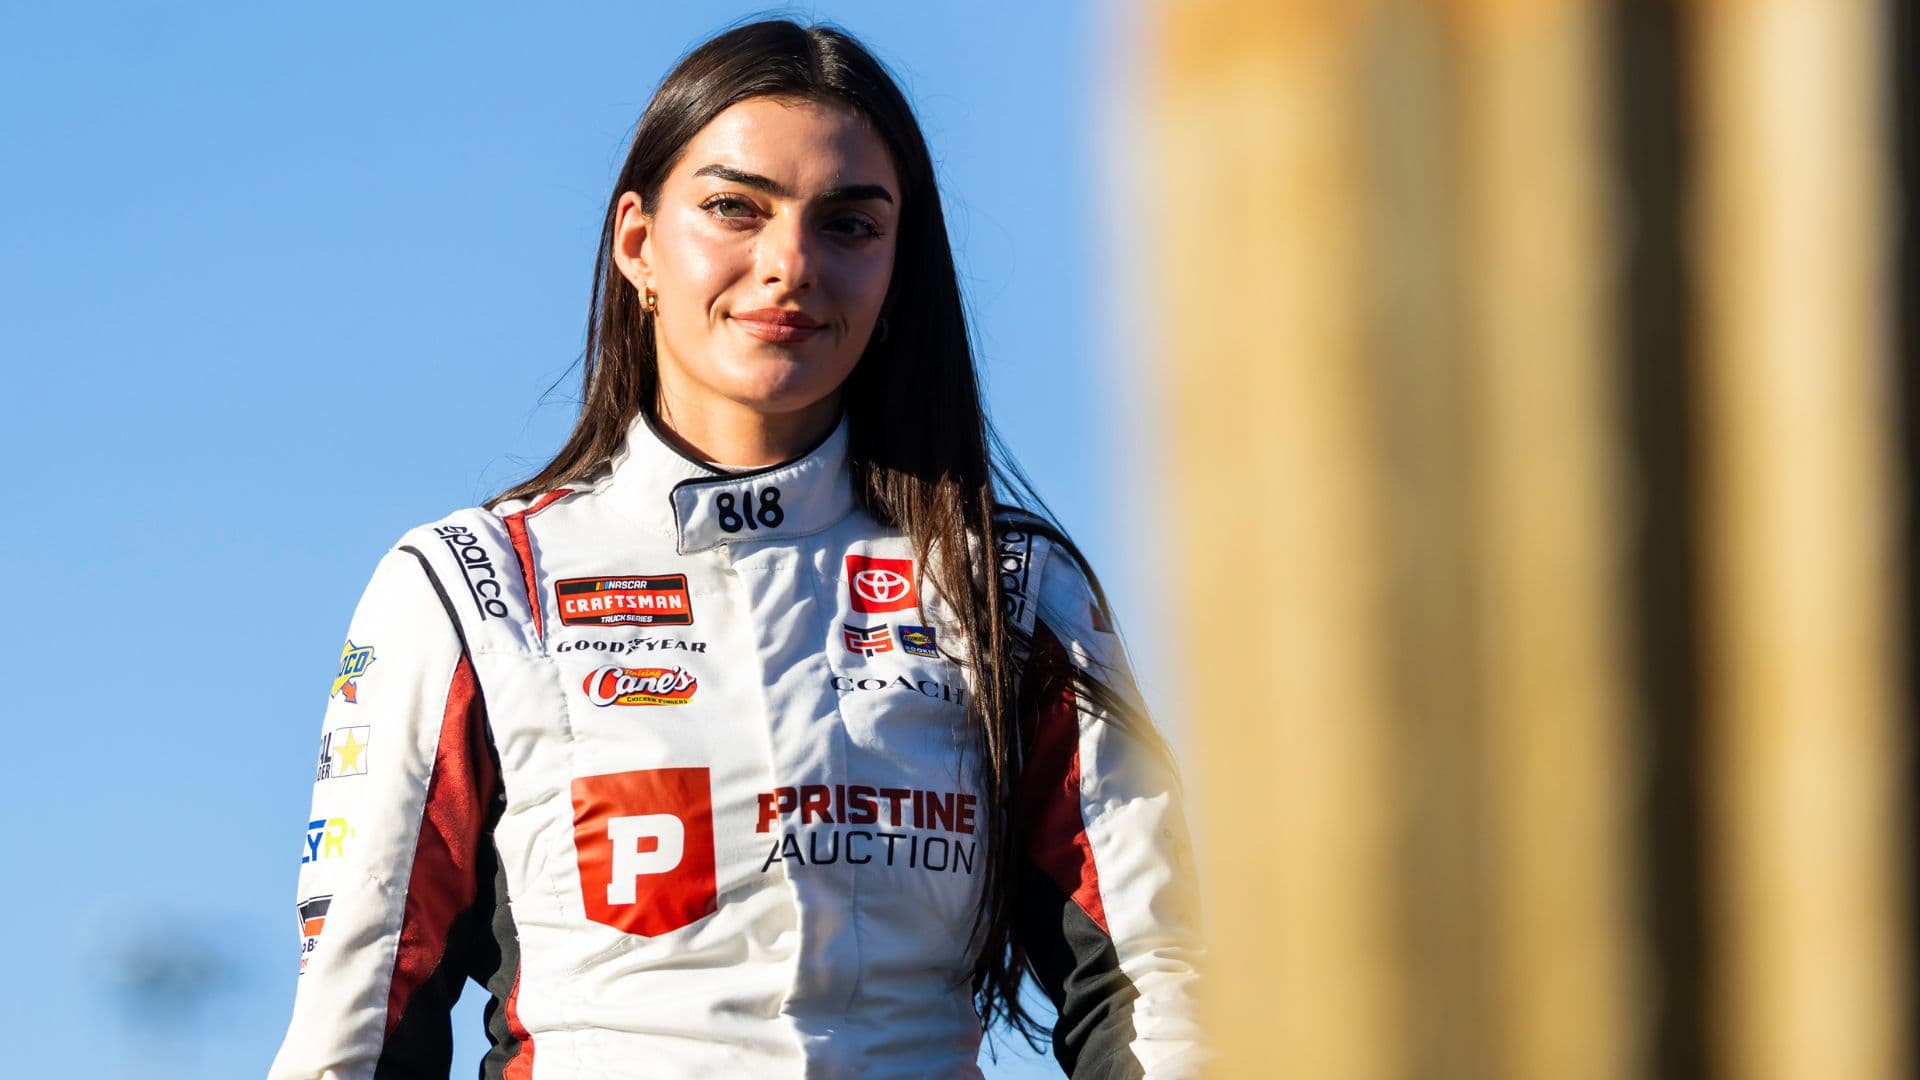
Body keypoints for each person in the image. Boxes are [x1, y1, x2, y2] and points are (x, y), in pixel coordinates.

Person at [270, 18, 1202, 1080]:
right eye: (734, 208)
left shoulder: (1009, 588)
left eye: (850, 225)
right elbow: (353, 1030)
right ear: (638, 245)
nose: (789, 265)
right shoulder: (470, 588)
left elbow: (1159, 988)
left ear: (901, 267)